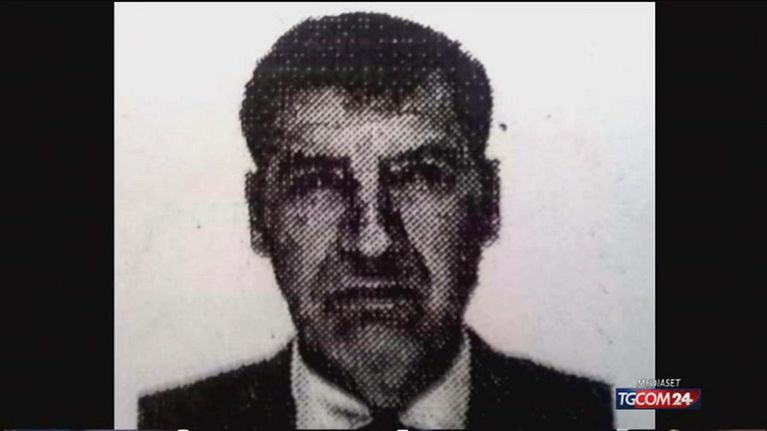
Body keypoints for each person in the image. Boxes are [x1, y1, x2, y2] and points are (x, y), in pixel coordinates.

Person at [138, 12, 613, 430]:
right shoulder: (166, 421)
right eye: (317, 183)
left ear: (488, 202)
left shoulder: (601, 414)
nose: (372, 242)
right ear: (259, 215)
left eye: (421, 177)